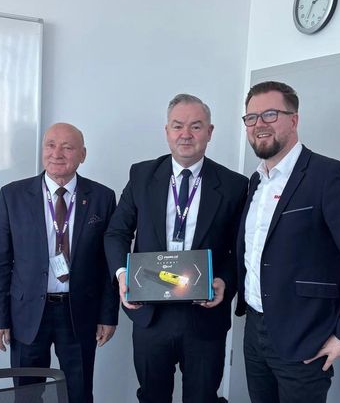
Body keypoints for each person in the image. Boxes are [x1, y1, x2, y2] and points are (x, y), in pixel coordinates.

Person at [236, 81, 340, 403]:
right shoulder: (256, 182)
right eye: (251, 117)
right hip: (255, 329)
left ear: (294, 120)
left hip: (305, 336)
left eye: (270, 114)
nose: (259, 124)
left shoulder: (328, 176)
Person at [104, 94, 248, 403]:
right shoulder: (141, 175)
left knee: (203, 397)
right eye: (178, 125)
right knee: (152, 396)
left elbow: (240, 250)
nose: (186, 134)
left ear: (209, 132)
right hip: (150, 313)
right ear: (167, 131)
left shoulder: (234, 185)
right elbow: (116, 233)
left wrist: (225, 281)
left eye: (195, 126)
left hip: (204, 315)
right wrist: (122, 275)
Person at [0, 123, 119, 403]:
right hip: (27, 313)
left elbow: (108, 263)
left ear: (82, 154)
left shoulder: (102, 197)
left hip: (79, 311)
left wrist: (108, 315)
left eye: (67, 147)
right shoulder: (13, 195)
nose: (57, 153)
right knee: (26, 395)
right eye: (50, 145)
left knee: (78, 393)